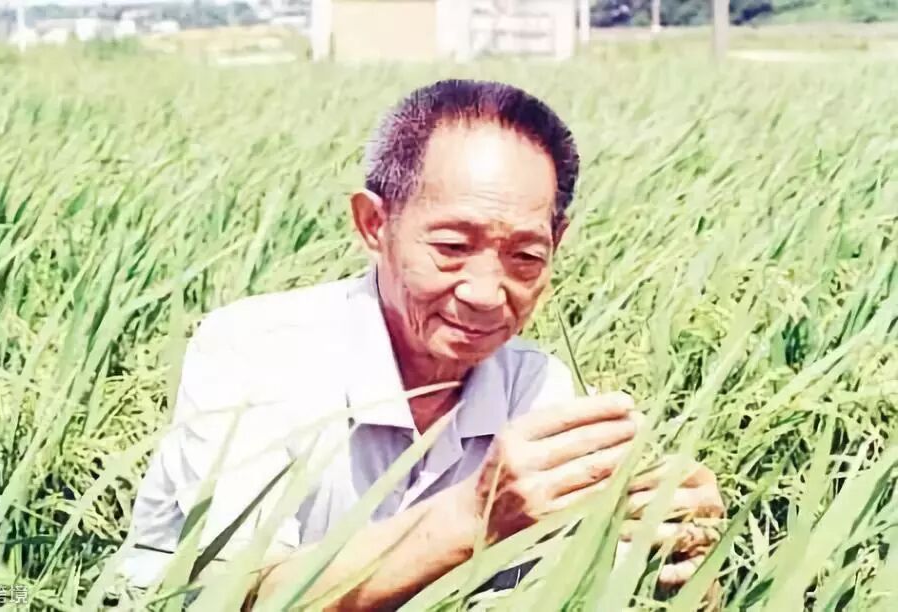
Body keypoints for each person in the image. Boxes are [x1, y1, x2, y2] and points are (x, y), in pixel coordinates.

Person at [115, 79, 725, 609]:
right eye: (452, 247)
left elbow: (575, 586)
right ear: (373, 224)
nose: (486, 293)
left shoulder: (538, 389)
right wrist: (475, 517)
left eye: (525, 256)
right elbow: (245, 596)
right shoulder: (253, 352)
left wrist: (676, 557)